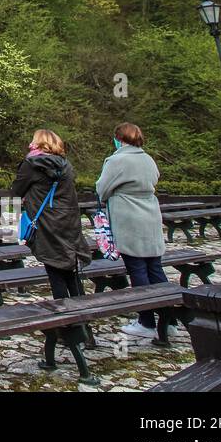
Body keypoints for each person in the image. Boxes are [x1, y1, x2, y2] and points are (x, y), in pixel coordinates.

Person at [11, 128, 96, 378]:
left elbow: (17, 190)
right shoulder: (65, 165)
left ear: (38, 143)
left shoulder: (31, 164)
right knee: (71, 271)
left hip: (46, 221)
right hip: (68, 220)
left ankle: (65, 325)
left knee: (56, 272)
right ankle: (82, 324)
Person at [95, 122, 167, 340]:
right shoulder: (148, 159)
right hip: (150, 215)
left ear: (119, 138)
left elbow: (102, 188)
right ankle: (168, 317)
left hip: (128, 217)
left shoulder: (117, 160)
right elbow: (154, 180)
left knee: (136, 268)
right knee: (155, 268)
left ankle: (146, 321)